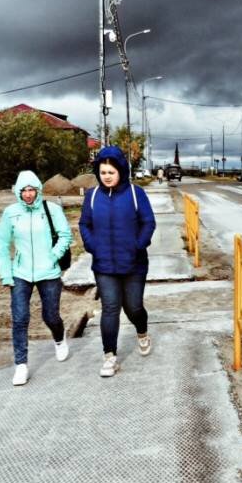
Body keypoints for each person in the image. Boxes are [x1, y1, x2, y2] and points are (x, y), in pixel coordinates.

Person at [79, 146, 156, 378]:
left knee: (133, 307)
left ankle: (142, 332)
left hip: (133, 263)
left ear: (120, 170)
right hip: (104, 265)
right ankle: (110, 356)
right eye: (103, 172)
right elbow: (84, 224)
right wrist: (93, 246)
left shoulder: (135, 193)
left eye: (111, 172)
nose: (107, 176)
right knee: (110, 308)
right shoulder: (92, 196)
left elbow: (148, 222)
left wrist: (137, 245)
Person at [0, 171, 72, 386]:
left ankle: (59, 338)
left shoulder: (52, 210)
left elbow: (65, 235)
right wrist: (6, 274)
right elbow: (1, 245)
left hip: (48, 272)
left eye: (32, 190)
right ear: (18, 192)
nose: (28, 194)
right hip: (20, 273)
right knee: (20, 319)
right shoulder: (10, 213)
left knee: (51, 316)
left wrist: (53, 257)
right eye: (24, 191)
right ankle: (21, 365)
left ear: (38, 190)